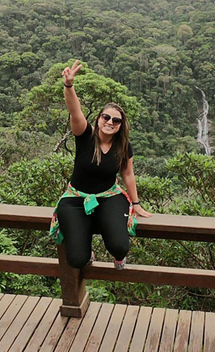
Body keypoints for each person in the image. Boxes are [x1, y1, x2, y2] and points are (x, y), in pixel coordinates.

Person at [49, 60, 151, 270]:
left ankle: (117, 255)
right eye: (106, 117)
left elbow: (128, 174)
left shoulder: (123, 146)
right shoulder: (85, 135)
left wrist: (137, 203)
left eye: (116, 120)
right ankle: (87, 248)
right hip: (76, 198)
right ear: (98, 119)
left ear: (121, 126)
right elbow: (75, 110)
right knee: (77, 259)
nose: (110, 122)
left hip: (109, 196)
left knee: (120, 246)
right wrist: (69, 85)